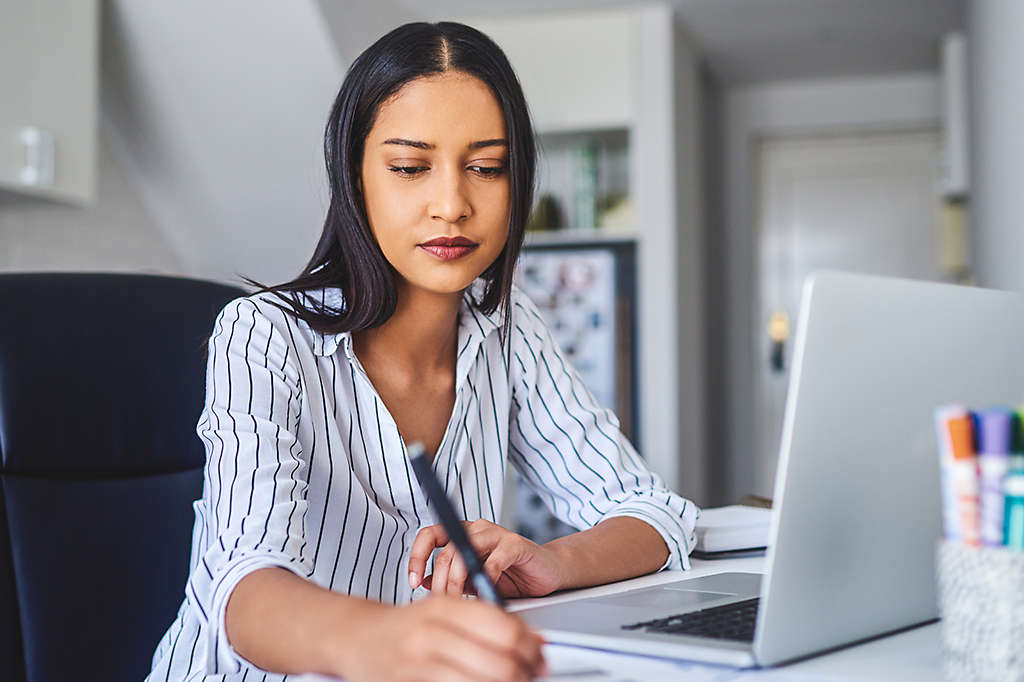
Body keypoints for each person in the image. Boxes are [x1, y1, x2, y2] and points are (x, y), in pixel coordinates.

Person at [147, 20, 699, 682]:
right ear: (356, 177)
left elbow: (652, 512)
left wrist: (556, 561)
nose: (452, 204)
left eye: (486, 168)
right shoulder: (262, 335)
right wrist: (386, 639)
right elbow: (243, 586)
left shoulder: (509, 328)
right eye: (410, 167)